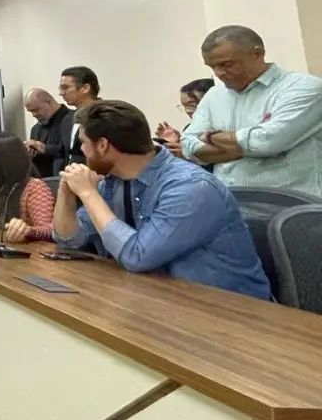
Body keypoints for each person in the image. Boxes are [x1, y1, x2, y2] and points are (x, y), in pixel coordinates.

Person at [54, 100, 271, 299]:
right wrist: (66, 192)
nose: (81, 151)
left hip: (228, 312)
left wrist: (88, 194)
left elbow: (137, 257)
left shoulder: (191, 188)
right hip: (157, 299)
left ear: (103, 145)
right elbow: (70, 241)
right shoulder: (113, 181)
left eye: (83, 143)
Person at [174, 26, 322, 197]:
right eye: (212, 67)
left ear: (258, 54)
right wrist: (248, 149)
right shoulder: (215, 95)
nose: (219, 73)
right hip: (229, 201)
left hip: (289, 206)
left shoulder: (302, 87)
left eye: (227, 64)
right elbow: (187, 144)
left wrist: (209, 137)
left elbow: (269, 141)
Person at [22, 88, 73, 177]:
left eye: (36, 110)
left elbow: (74, 153)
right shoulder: (36, 129)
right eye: (31, 112)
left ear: (48, 102)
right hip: (43, 185)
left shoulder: (73, 120)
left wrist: (45, 148)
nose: (34, 115)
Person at [57, 66, 101, 166]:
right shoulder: (67, 119)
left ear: (85, 88)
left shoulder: (105, 117)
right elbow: (64, 152)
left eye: (65, 87)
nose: (61, 93)